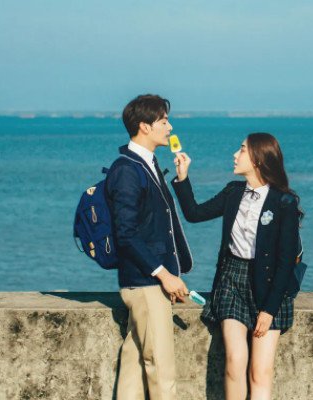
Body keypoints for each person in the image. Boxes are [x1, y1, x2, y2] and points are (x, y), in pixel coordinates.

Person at [170, 132, 302, 400]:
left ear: (258, 160)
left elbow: (286, 262)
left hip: (270, 285)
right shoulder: (233, 192)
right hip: (231, 278)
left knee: (260, 372)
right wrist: (182, 177)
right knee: (234, 362)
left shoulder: (284, 202)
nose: (235, 155)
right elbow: (194, 214)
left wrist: (269, 310)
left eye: (241, 150)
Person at [105, 94, 193, 400]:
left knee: (134, 365)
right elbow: (126, 234)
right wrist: (164, 275)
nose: (170, 127)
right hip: (146, 283)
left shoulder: (148, 164)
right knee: (162, 371)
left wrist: (181, 178)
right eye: (164, 121)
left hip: (147, 282)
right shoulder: (127, 170)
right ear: (145, 126)